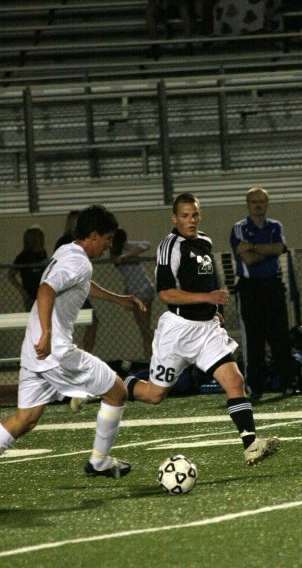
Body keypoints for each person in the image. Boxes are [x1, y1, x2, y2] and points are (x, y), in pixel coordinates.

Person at [123, 192, 279, 466]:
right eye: (184, 215)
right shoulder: (169, 246)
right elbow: (166, 294)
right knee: (154, 395)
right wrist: (209, 299)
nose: (191, 220)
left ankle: (251, 444)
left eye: (194, 214)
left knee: (235, 381)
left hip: (206, 330)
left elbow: (209, 286)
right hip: (178, 331)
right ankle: (106, 385)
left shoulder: (204, 242)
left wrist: (216, 309)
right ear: (175, 218)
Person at [0, 204, 146, 478]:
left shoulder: (68, 251)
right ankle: (100, 462)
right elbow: (46, 289)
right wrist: (47, 333)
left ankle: (99, 458)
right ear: (93, 235)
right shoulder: (77, 260)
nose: (107, 246)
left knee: (25, 419)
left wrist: (117, 299)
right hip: (54, 351)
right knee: (117, 391)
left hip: (35, 351)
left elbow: (80, 283)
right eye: (107, 239)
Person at [229, 186, 299, 399]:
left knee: (280, 336)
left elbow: (279, 248)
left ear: (267, 204)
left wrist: (252, 247)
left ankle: (288, 384)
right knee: (253, 339)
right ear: (248, 204)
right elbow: (248, 259)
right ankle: (255, 388)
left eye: (262, 201)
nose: (258, 205)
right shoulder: (239, 228)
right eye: (254, 201)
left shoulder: (275, 226)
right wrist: (267, 249)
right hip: (249, 288)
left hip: (273, 285)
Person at [54, 209, 98, 356]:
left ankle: (86, 354)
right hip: (66, 291)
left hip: (78, 289)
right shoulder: (64, 244)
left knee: (93, 321)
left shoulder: (84, 243)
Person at [110, 228, 155, 361]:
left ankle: (158, 352)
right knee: (143, 329)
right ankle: (149, 358)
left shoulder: (128, 247)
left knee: (145, 327)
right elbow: (127, 275)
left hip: (144, 289)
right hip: (133, 292)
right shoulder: (113, 253)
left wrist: (125, 256)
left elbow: (146, 245)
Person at [7, 225, 48, 312]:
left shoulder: (42, 253)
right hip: (31, 296)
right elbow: (11, 274)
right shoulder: (23, 256)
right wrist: (23, 292)